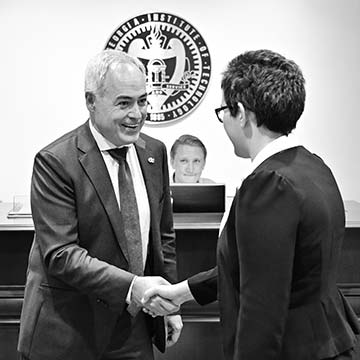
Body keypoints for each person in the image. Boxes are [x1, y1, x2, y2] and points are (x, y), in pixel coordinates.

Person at [143, 49, 360, 359]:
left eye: (224, 112)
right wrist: (182, 292)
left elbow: (262, 307)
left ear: (241, 113)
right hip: (328, 341)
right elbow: (261, 266)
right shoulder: (313, 166)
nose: (224, 122)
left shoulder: (268, 184)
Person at [18, 49, 182, 360]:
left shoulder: (154, 153)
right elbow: (61, 255)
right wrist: (133, 286)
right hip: (69, 334)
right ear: (91, 101)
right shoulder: (56, 162)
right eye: (124, 103)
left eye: (143, 100)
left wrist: (167, 303)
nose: (137, 113)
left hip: (134, 333)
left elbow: (164, 237)